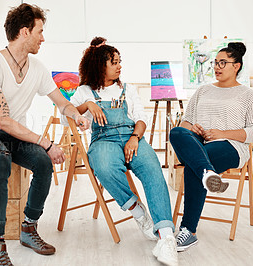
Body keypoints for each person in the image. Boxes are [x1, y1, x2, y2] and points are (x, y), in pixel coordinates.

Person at [0, 4, 89, 266]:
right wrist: (46, 142)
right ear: (25, 32)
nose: (43, 37)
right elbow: (3, 122)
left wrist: (75, 114)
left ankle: (29, 227)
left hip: (17, 137)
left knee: (43, 162)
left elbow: (62, 102)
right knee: (1, 161)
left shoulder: (37, 68)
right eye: (40, 31)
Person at [67, 37, 178, 266]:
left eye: (119, 61)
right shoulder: (84, 91)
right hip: (103, 140)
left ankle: (166, 238)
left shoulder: (128, 89)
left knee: (152, 168)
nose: (119, 66)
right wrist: (87, 105)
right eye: (114, 62)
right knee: (105, 167)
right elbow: (66, 116)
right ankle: (139, 212)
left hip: (132, 137)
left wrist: (135, 138)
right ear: (100, 65)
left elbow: (141, 117)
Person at [169, 42, 253, 252]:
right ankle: (208, 175)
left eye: (223, 62)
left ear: (236, 66)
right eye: (216, 62)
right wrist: (192, 129)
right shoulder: (203, 91)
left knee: (197, 165)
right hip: (199, 144)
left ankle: (189, 230)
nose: (217, 67)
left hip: (230, 147)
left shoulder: (247, 95)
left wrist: (222, 134)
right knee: (176, 132)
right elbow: (185, 122)